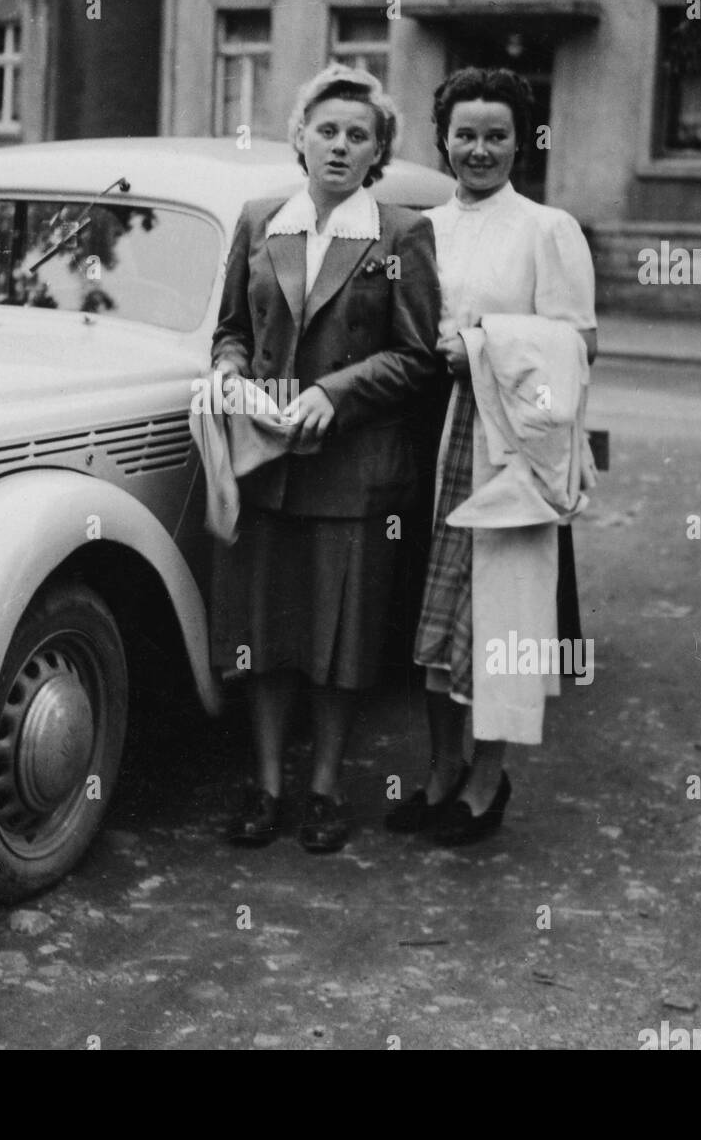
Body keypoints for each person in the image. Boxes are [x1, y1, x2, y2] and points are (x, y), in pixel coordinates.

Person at [209, 64, 442, 853]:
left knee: (339, 641)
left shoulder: (402, 233)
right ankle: (268, 785)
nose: (340, 146)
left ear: (377, 153)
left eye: (358, 135)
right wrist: (230, 375)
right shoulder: (258, 219)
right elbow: (231, 330)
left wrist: (336, 393)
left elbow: (419, 358)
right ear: (298, 138)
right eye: (327, 130)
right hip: (264, 464)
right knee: (266, 635)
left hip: (353, 475)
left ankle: (324, 789)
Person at [387, 66, 597, 846]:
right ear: (443, 139)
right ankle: (441, 770)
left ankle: (486, 779)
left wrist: (481, 345)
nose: (480, 149)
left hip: (509, 442)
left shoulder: (547, 229)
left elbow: (579, 346)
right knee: (435, 617)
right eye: (467, 134)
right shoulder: (421, 228)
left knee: (500, 617)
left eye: (497, 135)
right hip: (431, 434)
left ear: (521, 141)